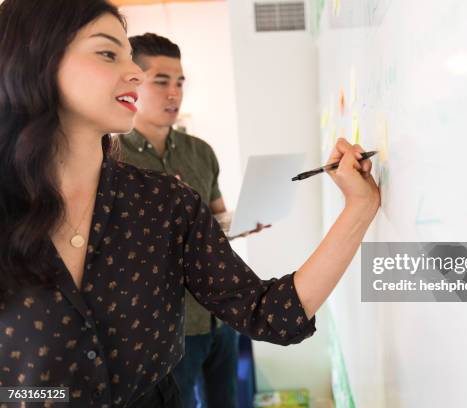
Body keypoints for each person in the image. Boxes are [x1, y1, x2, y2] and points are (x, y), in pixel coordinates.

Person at [0, 1, 380, 408]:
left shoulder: (164, 200)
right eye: (108, 53)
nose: (135, 74)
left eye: (131, 58)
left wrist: (357, 208)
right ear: (35, 58)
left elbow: (270, 312)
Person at [116, 33, 250, 408]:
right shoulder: (110, 160)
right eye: (161, 82)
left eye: (179, 83)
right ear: (132, 82)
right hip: (162, 329)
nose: (174, 93)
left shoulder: (200, 152)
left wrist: (241, 224)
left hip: (218, 317)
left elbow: (217, 219)